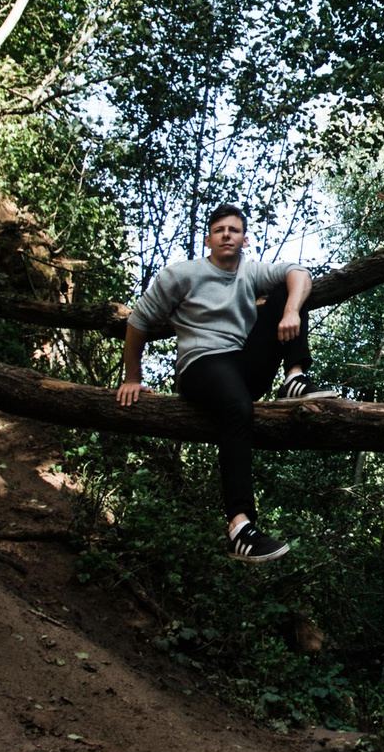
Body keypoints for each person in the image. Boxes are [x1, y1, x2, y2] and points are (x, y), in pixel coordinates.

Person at [116, 203, 330, 563]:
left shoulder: (250, 271)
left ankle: (294, 377)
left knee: (289, 288)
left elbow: (299, 272)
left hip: (243, 366)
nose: (226, 235)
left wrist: (291, 310)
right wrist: (132, 378)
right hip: (202, 365)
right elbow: (138, 322)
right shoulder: (181, 275)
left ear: (244, 240)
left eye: (233, 230)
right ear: (208, 239)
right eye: (219, 230)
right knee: (237, 407)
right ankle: (240, 527)